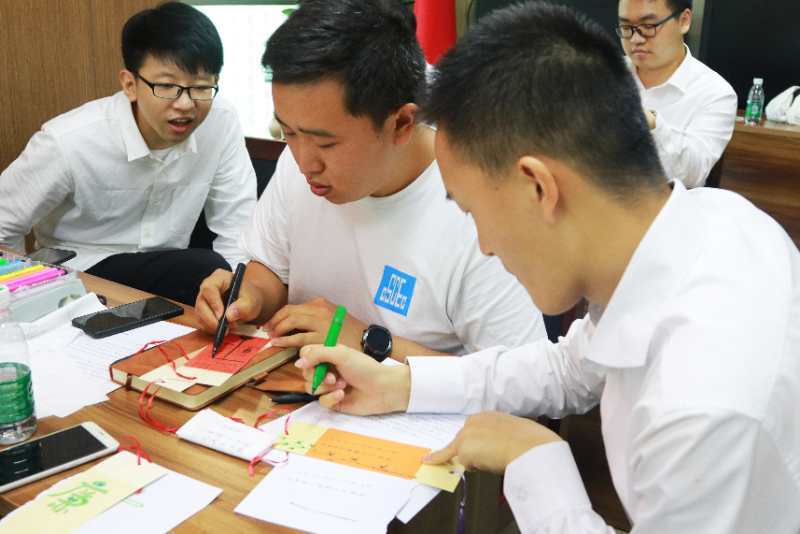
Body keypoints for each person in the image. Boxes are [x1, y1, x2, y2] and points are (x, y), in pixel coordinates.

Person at [294, 3, 800, 532]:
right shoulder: (712, 219)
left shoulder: (703, 408)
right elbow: (570, 369)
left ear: (538, 186)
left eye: (473, 211)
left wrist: (538, 461)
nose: (485, 246)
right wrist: (399, 385)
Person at [195, 0, 545, 360]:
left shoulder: (481, 208)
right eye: (289, 133)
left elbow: (521, 379)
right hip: (299, 386)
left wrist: (367, 340)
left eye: (326, 143)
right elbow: (270, 267)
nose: (304, 162)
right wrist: (248, 297)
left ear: (402, 124)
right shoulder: (300, 158)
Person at [0, 2, 256, 305]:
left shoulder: (221, 121)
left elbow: (237, 228)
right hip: (78, 273)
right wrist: (25, 297)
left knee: (219, 275)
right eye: (167, 86)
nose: (186, 104)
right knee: (201, 267)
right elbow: (4, 224)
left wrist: (235, 296)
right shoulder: (69, 140)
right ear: (130, 85)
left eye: (201, 87)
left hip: (166, 273)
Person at [618, 0, 737, 188]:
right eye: (626, 27)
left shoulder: (715, 93)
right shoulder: (603, 71)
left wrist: (650, 122)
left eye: (649, 26)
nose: (635, 39)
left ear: (684, 21)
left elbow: (692, 176)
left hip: (665, 203)